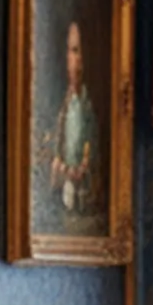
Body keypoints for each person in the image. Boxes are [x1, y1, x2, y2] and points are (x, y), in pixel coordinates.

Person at [44, 17, 101, 223]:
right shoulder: (57, 107)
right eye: (73, 51)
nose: (78, 60)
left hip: (84, 203)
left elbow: (94, 157)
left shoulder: (90, 108)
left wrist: (84, 169)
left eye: (80, 51)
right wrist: (59, 169)